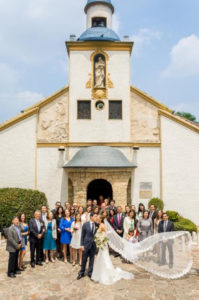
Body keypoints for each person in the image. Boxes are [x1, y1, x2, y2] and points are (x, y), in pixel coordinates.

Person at [91, 215, 134, 284]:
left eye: (98, 218)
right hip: (101, 244)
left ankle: (106, 274)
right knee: (101, 258)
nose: (96, 218)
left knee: (104, 258)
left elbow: (106, 234)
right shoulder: (99, 225)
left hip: (103, 244)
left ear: (101, 219)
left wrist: (101, 240)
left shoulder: (102, 225)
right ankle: (99, 274)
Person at [77, 213, 98, 280]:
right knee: (84, 259)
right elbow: (82, 235)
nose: (96, 217)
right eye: (95, 216)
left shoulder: (97, 225)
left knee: (92, 259)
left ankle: (90, 272)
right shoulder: (85, 224)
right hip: (85, 245)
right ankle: (81, 272)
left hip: (93, 245)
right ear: (91, 217)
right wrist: (82, 245)